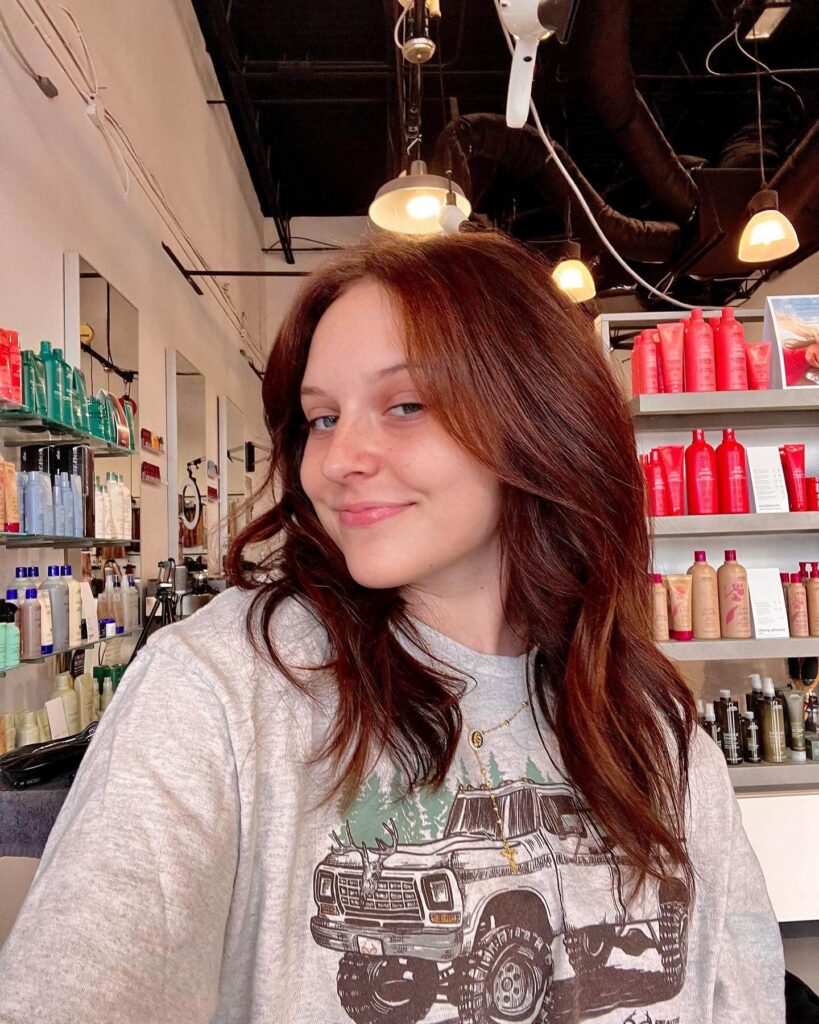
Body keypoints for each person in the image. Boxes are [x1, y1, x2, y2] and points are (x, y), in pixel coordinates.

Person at [0, 233, 784, 1023]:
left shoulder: (650, 726)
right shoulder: (224, 686)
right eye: (321, 417)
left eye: (404, 405)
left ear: (538, 416)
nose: (338, 458)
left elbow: (739, 991)